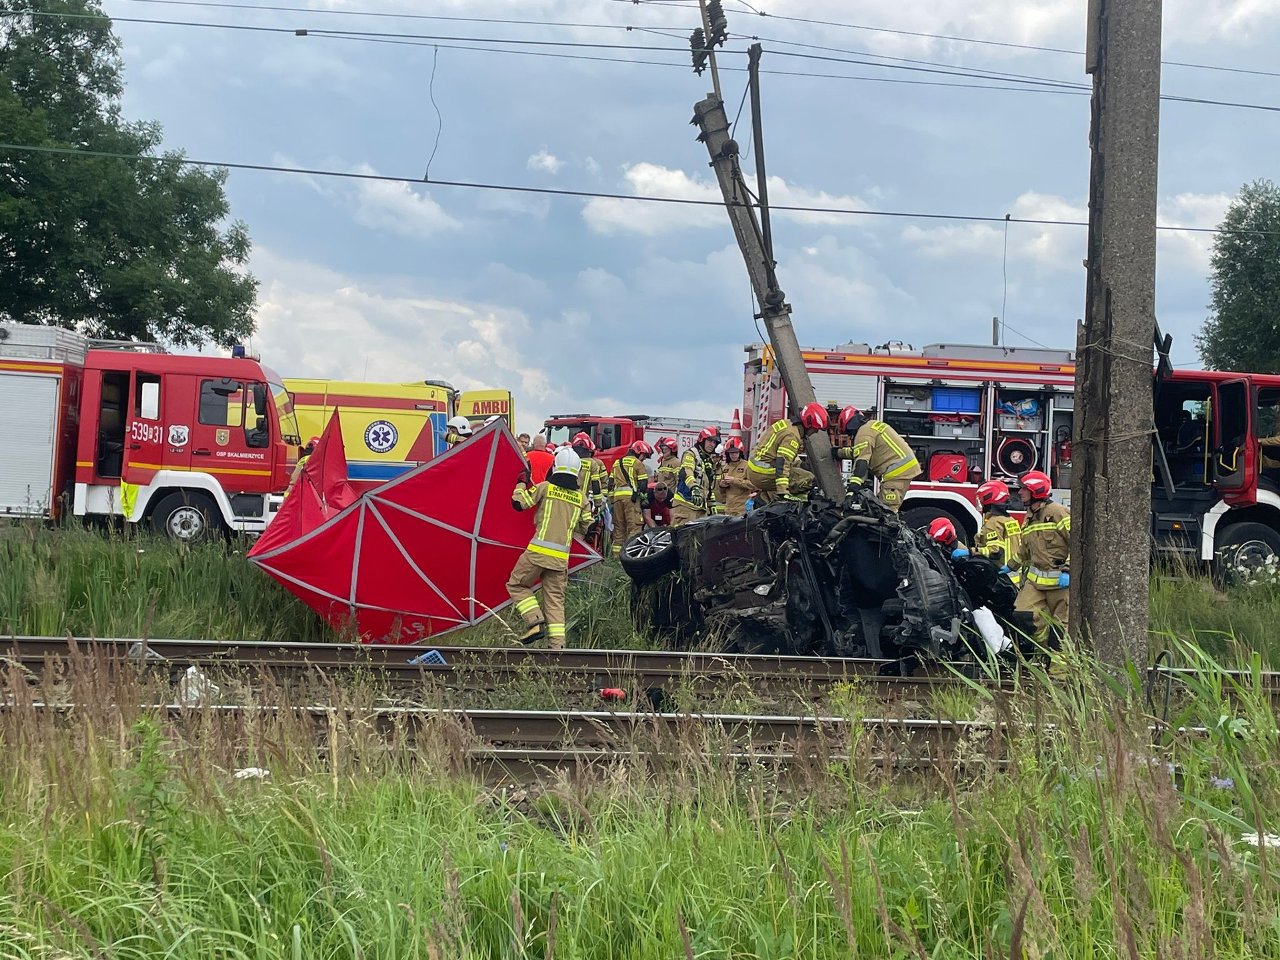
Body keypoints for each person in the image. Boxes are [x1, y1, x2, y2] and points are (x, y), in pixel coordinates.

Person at [507, 447, 594, 648]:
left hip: (537, 553)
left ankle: (534, 621)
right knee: (555, 601)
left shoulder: (545, 488)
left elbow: (518, 503)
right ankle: (557, 647)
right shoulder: (582, 499)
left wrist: (521, 482)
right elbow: (586, 527)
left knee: (517, 585)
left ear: (555, 467)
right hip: (560, 559)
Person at [1013, 470, 1071, 641]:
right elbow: (1025, 550)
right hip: (1036, 584)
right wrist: (1009, 566)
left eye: (1024, 489)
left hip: (1061, 584)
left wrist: (1068, 570)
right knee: (1022, 616)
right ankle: (1043, 649)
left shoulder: (1058, 512)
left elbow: (1077, 544)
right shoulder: (1030, 516)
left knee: (1059, 634)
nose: (1020, 492)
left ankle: (1058, 667)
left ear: (1036, 491)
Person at [835, 406, 921, 513]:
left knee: (886, 513)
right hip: (902, 470)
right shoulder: (870, 427)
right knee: (878, 509)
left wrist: (852, 491)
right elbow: (859, 452)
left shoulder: (863, 433)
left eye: (849, 433)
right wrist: (838, 452)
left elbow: (861, 462)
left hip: (896, 474)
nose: (851, 437)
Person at [746, 403, 825, 504]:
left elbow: (778, 454)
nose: (815, 432)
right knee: (808, 479)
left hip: (755, 470)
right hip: (764, 473)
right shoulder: (792, 436)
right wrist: (783, 492)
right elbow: (782, 464)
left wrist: (801, 465)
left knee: (798, 473)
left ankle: (767, 496)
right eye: (815, 429)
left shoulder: (786, 424)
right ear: (808, 424)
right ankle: (769, 499)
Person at [972, 479, 1023, 577]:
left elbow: (995, 552)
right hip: (1015, 576)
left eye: (981, 498)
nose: (980, 502)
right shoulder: (1010, 520)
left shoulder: (993, 523)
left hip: (1002, 576)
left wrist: (970, 552)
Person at [609, 439, 652, 554]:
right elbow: (643, 484)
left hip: (617, 499)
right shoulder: (638, 463)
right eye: (644, 456)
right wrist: (643, 499)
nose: (644, 459)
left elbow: (610, 483)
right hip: (631, 499)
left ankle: (616, 556)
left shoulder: (617, 462)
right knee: (634, 527)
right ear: (640, 452)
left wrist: (611, 500)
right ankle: (630, 554)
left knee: (619, 528)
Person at [671, 426, 720, 526]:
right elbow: (686, 471)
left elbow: (708, 487)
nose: (712, 445)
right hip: (686, 506)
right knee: (684, 538)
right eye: (710, 441)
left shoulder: (707, 460)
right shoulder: (690, 454)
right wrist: (694, 487)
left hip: (701, 508)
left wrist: (712, 505)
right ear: (702, 440)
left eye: (714, 442)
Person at [717, 437, 753, 516]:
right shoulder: (725, 467)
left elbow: (752, 485)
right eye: (731, 453)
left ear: (740, 452)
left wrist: (735, 481)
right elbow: (720, 493)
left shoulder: (747, 465)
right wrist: (721, 485)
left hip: (742, 509)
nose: (733, 455)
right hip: (728, 509)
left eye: (736, 452)